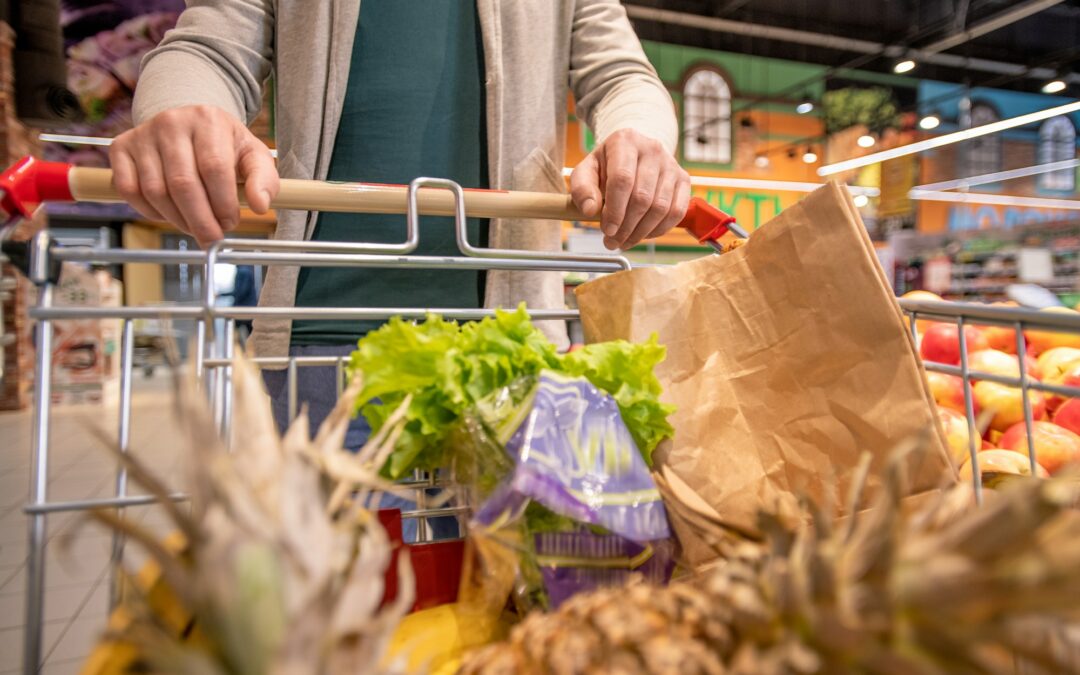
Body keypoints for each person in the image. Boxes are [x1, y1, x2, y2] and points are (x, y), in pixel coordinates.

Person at [113, 1, 689, 457]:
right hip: (323, 344)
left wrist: (640, 136)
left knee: (512, 597)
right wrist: (179, 107)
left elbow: (622, 75)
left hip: (515, 341)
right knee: (336, 596)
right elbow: (209, 46)